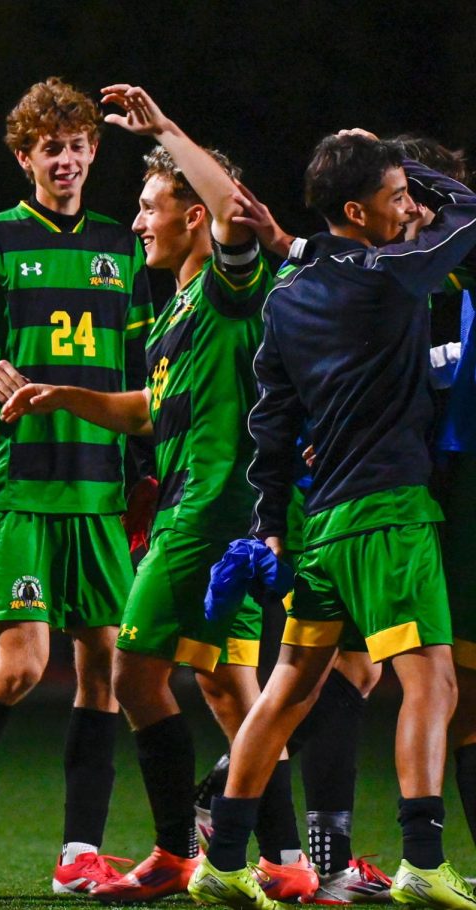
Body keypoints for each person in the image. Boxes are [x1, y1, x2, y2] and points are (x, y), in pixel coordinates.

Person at [1, 85, 312, 903]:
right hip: (229, 518)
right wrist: (63, 394)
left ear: (193, 217)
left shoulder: (226, 284)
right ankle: (286, 859)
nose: (137, 221)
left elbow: (235, 211)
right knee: (225, 687)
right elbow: (150, 409)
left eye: (151, 205)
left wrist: (170, 130)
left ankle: (178, 851)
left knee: (134, 677)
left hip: (206, 517)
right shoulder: (178, 305)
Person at [188, 131, 476, 910]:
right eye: (395, 197)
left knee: (287, 691)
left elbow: (271, 427)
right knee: (434, 681)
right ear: (356, 209)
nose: (410, 208)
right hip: (389, 514)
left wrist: (270, 524)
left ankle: (220, 860)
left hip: (319, 526)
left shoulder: (288, 296)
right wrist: (411, 168)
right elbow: (471, 212)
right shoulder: (391, 278)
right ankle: (422, 858)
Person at [0, 76, 152, 892]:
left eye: (80, 145)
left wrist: (149, 478)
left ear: (94, 151)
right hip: (17, 483)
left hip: (100, 487)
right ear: (25, 157)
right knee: (20, 665)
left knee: (107, 671)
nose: (68, 159)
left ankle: (77, 853)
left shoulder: (124, 248)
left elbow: (142, 372)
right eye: (51, 147)